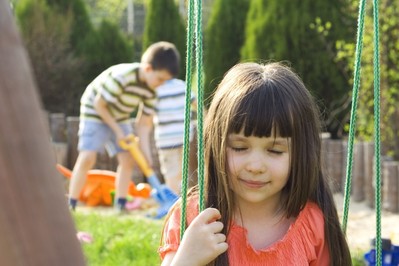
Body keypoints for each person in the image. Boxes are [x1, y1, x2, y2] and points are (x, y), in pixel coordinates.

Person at [158, 62, 352, 265]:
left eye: (275, 151)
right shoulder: (193, 218)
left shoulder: (314, 225)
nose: (255, 166)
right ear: (216, 144)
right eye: (239, 147)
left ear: (300, 154)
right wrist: (187, 258)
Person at [68, 41, 180, 212]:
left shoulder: (152, 91)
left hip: (119, 115)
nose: (162, 84)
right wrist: (119, 132)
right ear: (148, 69)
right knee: (88, 156)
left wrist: (146, 156)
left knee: (127, 159)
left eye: (165, 81)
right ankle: (72, 203)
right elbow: (100, 104)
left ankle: (120, 206)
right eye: (160, 79)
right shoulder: (123, 76)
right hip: (95, 111)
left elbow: (143, 125)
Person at [153, 78, 196, 194]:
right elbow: (196, 104)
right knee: (182, 171)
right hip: (184, 135)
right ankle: (182, 199)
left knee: (171, 172)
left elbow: (148, 114)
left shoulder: (156, 88)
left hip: (166, 138)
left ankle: (173, 201)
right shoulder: (181, 85)